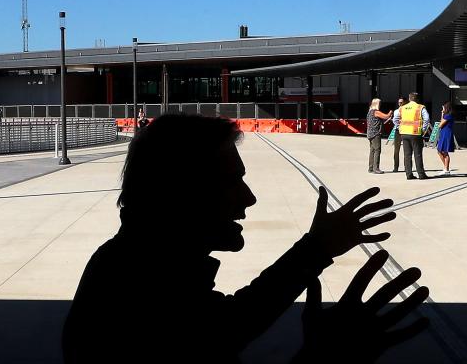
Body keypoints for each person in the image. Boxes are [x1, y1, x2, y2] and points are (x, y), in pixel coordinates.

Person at [62, 114, 429, 363]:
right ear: (180, 194)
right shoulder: (137, 287)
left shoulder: (130, 268)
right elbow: (220, 331)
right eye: (231, 181)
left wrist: (315, 250)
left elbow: (226, 325)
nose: (249, 198)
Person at [399, 92, 430, 180]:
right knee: (418, 154)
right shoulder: (420, 107)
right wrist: (423, 130)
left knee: (407, 155)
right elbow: (427, 119)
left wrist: (400, 127)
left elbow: (396, 118)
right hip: (416, 133)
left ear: (409, 99)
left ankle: (408, 174)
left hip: (404, 133)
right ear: (417, 99)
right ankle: (421, 174)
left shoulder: (403, 107)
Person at [365, 99, 392, 174]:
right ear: (376, 104)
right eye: (379, 103)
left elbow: (378, 121)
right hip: (375, 134)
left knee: (372, 151)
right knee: (377, 150)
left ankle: (370, 168)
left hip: (370, 134)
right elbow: (386, 116)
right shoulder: (376, 112)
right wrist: (390, 112)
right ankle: (376, 168)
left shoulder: (369, 112)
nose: (380, 105)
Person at [435, 101, 455, 176]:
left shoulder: (448, 116)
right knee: (439, 150)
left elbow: (440, 125)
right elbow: (441, 122)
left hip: (446, 134)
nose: (442, 109)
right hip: (444, 133)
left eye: (443, 107)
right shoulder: (446, 115)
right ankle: (446, 167)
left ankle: (446, 169)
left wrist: (442, 114)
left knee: (444, 151)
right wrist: (442, 114)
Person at [391, 97, 405, 173]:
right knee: (396, 150)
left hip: (406, 131)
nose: (400, 104)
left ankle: (407, 167)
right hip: (398, 131)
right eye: (399, 102)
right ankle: (396, 167)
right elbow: (394, 120)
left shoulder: (407, 110)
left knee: (407, 151)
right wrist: (399, 124)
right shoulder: (396, 111)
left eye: (401, 102)